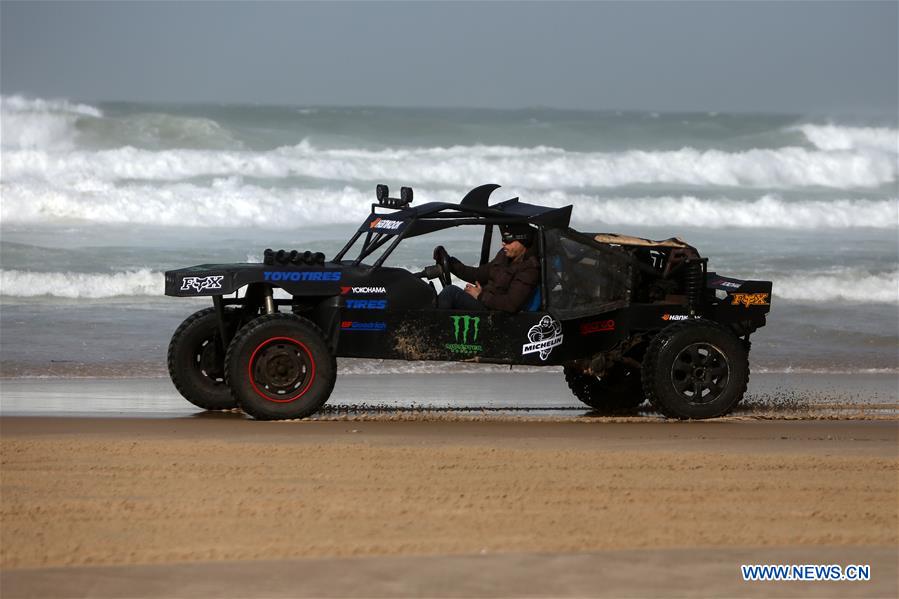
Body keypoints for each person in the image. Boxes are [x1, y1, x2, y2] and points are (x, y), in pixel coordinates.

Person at [436, 223, 539, 313]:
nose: (503, 243)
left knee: (451, 292)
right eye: (503, 239)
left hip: (497, 316)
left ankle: (429, 332)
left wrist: (481, 296)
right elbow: (478, 274)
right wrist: (450, 263)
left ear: (522, 241)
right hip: (485, 304)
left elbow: (511, 304)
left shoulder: (529, 269)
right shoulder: (504, 256)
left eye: (508, 240)